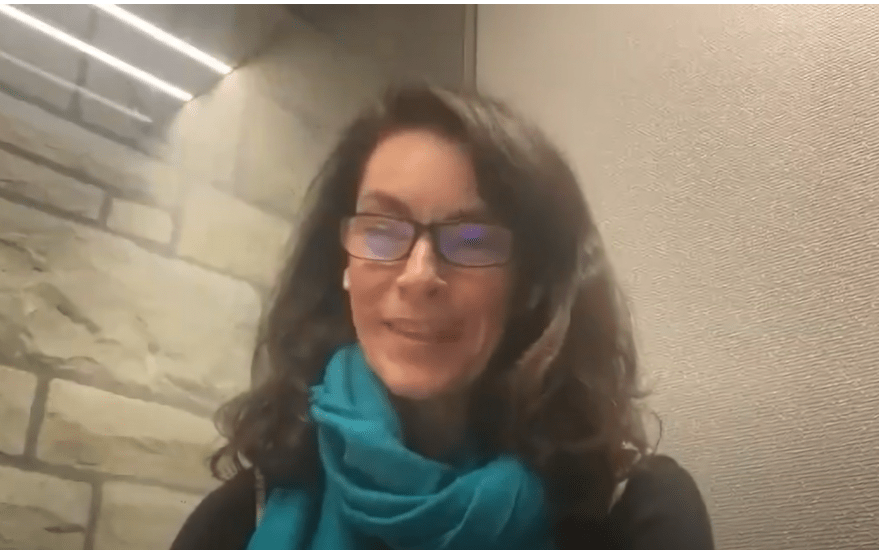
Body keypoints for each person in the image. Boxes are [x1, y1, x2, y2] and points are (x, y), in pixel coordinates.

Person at [171, 85, 714, 550]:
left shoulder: (633, 513)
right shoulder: (242, 518)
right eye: (382, 230)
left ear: (529, 285)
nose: (418, 275)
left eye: (472, 240)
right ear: (344, 266)